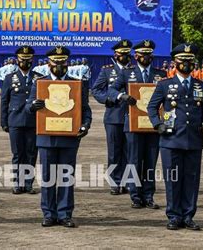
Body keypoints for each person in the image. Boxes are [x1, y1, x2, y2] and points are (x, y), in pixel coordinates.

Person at [147, 43, 203, 230]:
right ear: (175, 62)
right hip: (171, 139)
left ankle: (188, 215)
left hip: (193, 140)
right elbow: (152, 107)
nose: (186, 63)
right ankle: (174, 215)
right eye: (182, 60)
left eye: (190, 60)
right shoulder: (164, 85)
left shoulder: (201, 85)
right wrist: (157, 124)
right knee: (173, 180)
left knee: (192, 180)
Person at [27, 46, 92, 228]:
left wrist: (85, 125)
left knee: (65, 177)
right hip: (46, 138)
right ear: (48, 63)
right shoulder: (39, 83)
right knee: (48, 178)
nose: (59, 65)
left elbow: (85, 109)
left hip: (69, 138)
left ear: (68, 63)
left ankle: (64, 214)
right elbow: (27, 108)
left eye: (62, 62)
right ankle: (48, 214)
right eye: (55, 62)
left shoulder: (77, 84)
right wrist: (33, 106)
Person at [109, 40, 166, 209]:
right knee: (133, 160)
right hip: (133, 124)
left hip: (153, 125)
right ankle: (135, 196)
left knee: (150, 161)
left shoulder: (160, 75)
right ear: (136, 56)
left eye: (149, 55)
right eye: (142, 54)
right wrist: (122, 96)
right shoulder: (127, 73)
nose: (146, 57)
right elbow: (112, 90)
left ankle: (148, 196)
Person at [92, 39, 132, 195]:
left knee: (129, 152)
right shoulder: (107, 70)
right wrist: (107, 99)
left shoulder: (133, 70)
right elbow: (96, 90)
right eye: (121, 54)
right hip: (113, 115)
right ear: (115, 55)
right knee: (114, 151)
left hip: (131, 116)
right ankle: (115, 182)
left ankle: (129, 182)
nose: (124, 56)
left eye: (127, 54)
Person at [0, 46, 41, 195]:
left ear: (32, 60)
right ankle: (17, 183)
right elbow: (4, 101)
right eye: (22, 59)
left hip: (32, 121)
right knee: (18, 153)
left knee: (31, 153)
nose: (25, 62)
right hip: (15, 121)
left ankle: (28, 183)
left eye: (28, 59)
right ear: (17, 60)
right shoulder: (9, 78)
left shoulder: (39, 78)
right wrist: (3, 121)